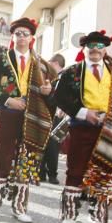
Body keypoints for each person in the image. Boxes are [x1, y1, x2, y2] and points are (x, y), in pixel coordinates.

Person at [52, 31, 112, 223]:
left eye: (100, 46)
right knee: (75, 170)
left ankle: (99, 215)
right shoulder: (72, 71)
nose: (95, 49)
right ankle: (69, 213)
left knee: (105, 171)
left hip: (110, 128)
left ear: (105, 50)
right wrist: (84, 113)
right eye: (91, 45)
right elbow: (58, 97)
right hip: (81, 127)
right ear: (84, 49)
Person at [0, 17, 55, 223]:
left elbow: (51, 93)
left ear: (32, 38)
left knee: (27, 161)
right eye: (18, 34)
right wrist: (8, 100)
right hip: (6, 115)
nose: (21, 37)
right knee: (1, 159)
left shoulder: (41, 64)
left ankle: (20, 207)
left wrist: (47, 92)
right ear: (12, 37)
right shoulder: (1, 59)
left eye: (25, 34)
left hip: (31, 118)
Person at [39, 53, 66, 185]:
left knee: (53, 146)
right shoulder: (53, 77)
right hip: (47, 112)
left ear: (55, 63)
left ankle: (52, 174)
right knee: (43, 144)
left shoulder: (64, 77)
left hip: (56, 114)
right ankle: (41, 173)